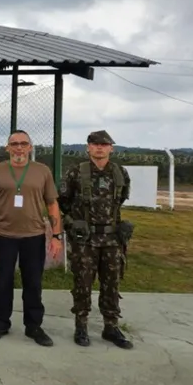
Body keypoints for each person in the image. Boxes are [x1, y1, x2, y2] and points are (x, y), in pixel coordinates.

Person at [0, 129, 63, 347]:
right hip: (3, 236)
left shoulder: (42, 171)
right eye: (14, 143)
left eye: (23, 143)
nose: (19, 147)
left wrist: (56, 236)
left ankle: (34, 326)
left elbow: (52, 204)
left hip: (34, 237)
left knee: (33, 283)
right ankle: (0, 323)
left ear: (30, 147)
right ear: (7, 148)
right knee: (3, 282)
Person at [58, 130, 134, 349]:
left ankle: (111, 326)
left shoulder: (119, 173)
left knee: (112, 282)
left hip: (112, 239)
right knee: (82, 282)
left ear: (111, 148)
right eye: (95, 144)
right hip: (85, 239)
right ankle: (81, 325)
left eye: (104, 144)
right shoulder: (76, 172)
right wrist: (74, 222)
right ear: (88, 147)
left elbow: (120, 200)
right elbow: (64, 201)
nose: (99, 148)